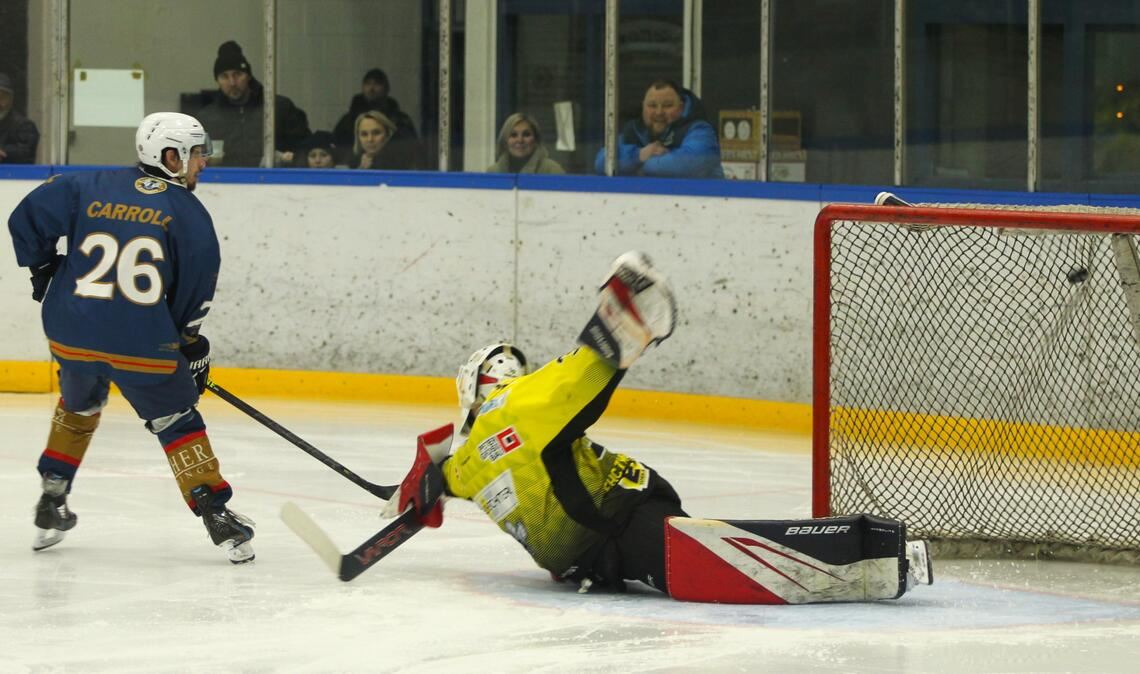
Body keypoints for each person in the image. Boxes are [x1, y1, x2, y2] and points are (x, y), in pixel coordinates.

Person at [382, 252, 933, 604]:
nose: (505, 380)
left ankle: (876, 559)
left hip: (622, 522)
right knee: (692, 555)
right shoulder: (489, 438)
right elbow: (556, 394)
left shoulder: (483, 443)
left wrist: (424, 487)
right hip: (609, 537)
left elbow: (550, 402)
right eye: (500, 372)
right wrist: (616, 323)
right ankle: (872, 557)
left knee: (691, 559)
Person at [6, 112, 255, 563]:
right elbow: (195, 287)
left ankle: (51, 497)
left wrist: (43, 269)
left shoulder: (87, 184)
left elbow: (25, 218)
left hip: (70, 331)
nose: (203, 163)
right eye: (196, 154)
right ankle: (216, 514)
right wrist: (188, 346)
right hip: (141, 342)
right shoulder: (189, 213)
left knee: (78, 404)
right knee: (175, 420)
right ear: (170, 156)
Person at [196, 40, 310, 167]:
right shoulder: (207, 118)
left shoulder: (278, 108)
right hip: (224, 184)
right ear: (217, 80)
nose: (232, 82)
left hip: (273, 183)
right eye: (224, 76)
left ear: (249, 76)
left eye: (238, 74)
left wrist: (288, 160)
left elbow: (305, 150)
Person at [594, 79, 724, 179]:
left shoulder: (700, 130)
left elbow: (688, 164)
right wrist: (639, 155)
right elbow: (601, 161)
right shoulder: (634, 131)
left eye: (667, 105)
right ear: (643, 107)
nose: (659, 112)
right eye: (652, 105)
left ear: (681, 107)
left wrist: (638, 166)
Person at [332, 68, 421, 168]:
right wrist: (358, 168)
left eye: (377, 84)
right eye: (368, 83)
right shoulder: (348, 121)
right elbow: (338, 151)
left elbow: (413, 151)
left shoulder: (400, 120)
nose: (371, 88)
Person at [485, 113, 565, 174]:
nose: (520, 140)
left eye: (526, 134)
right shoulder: (493, 172)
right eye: (513, 135)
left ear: (536, 140)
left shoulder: (552, 170)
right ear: (505, 141)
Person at [349, 110, 417, 170]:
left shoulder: (403, 163)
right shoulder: (352, 164)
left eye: (376, 133)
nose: (370, 139)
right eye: (364, 134)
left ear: (388, 135)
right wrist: (360, 170)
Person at [0, 72, 40, 164]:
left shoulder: (24, 125)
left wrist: (4, 152)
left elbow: (25, 152)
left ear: (11, 99)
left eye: (2, 97)